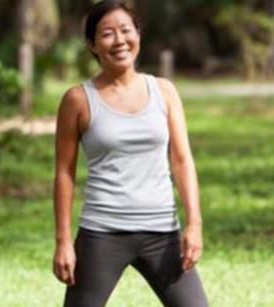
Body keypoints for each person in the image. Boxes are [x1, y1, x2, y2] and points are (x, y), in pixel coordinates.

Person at [51, 1, 209, 306]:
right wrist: (63, 241)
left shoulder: (164, 91)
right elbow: (63, 172)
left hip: (162, 232)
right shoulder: (78, 100)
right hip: (102, 232)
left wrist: (194, 224)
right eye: (107, 33)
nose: (120, 40)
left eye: (126, 30)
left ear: (138, 34)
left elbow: (181, 160)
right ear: (92, 45)